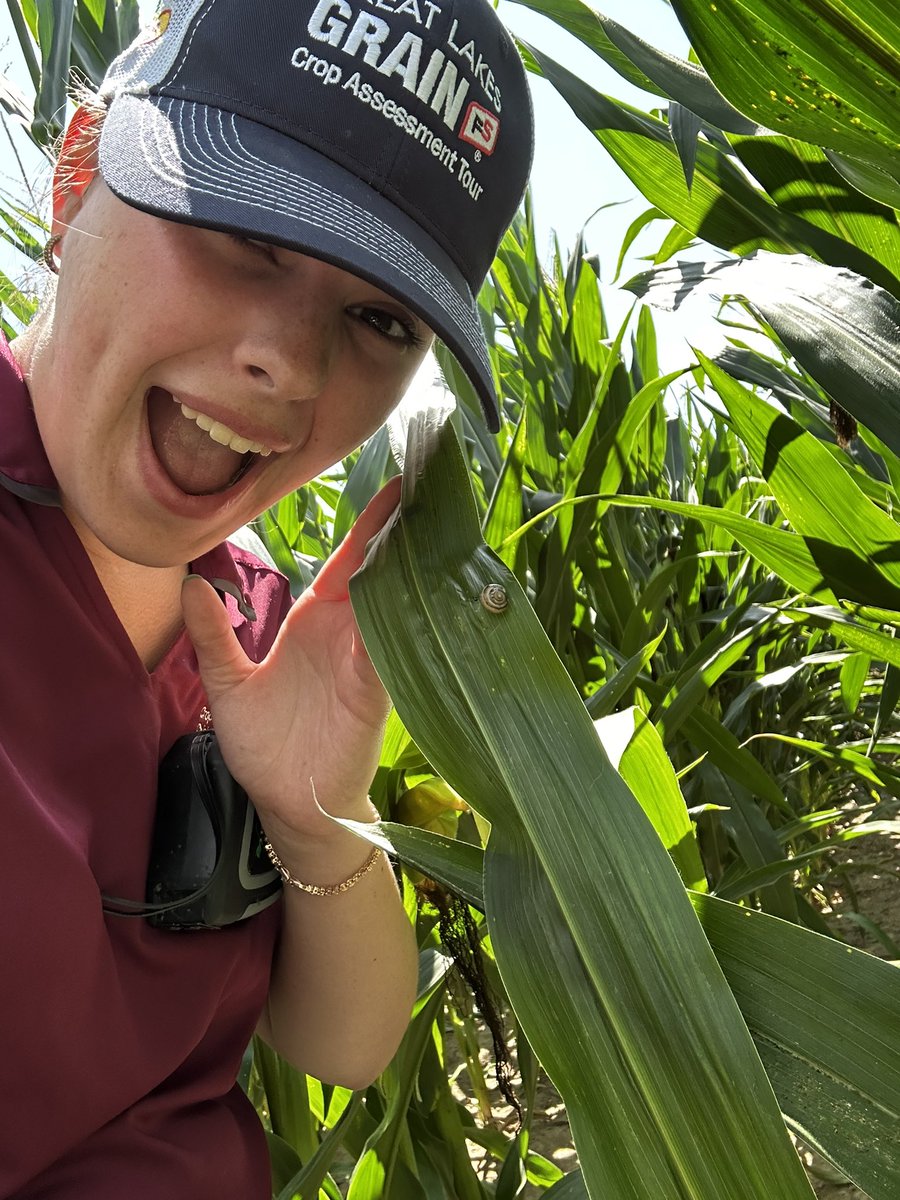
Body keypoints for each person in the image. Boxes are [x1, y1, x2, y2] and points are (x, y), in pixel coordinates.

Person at [0, 0, 533, 1195]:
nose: (290, 364)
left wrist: (312, 819)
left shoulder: (255, 624)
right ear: (75, 183)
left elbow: (341, 1048)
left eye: (379, 318)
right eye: (242, 233)